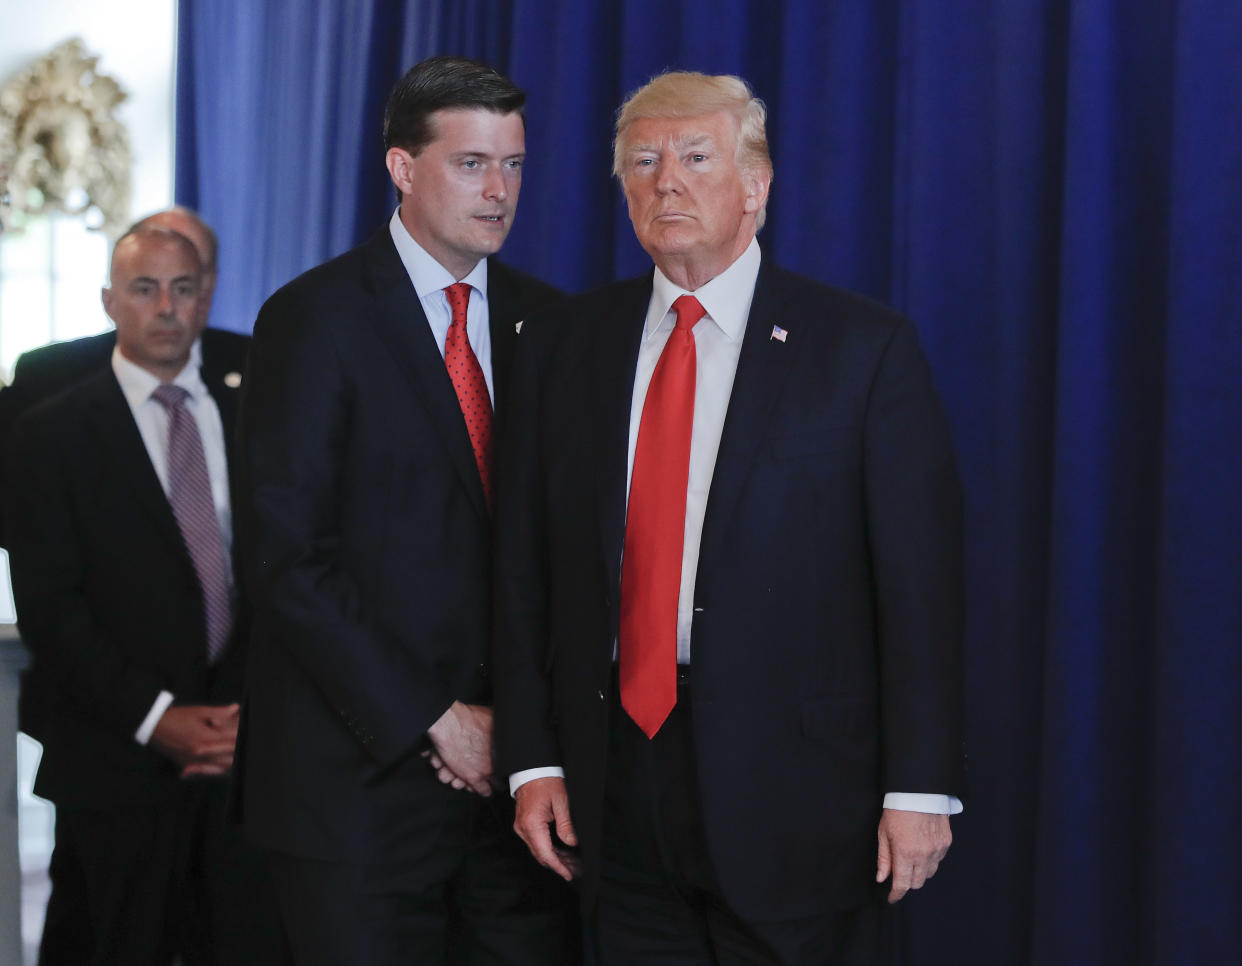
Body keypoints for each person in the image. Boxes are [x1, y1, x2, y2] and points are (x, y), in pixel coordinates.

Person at [493, 71, 966, 965]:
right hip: (614, 788)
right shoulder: (563, 345)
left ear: (757, 183)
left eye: (696, 157)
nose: (666, 180)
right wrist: (532, 760)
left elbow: (920, 587)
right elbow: (523, 571)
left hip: (803, 794)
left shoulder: (861, 351)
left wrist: (921, 786)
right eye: (643, 160)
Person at [233, 55, 577, 965]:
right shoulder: (312, 319)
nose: (499, 190)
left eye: (513, 165)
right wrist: (438, 716)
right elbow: (286, 559)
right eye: (472, 163)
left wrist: (527, 733)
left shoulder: (549, 322)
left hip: (519, 795)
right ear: (401, 168)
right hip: (357, 794)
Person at [5, 225, 286, 964]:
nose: (166, 307)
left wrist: (242, 717)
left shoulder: (262, 411)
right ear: (110, 302)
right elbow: (52, 609)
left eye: (183, 288)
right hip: (114, 768)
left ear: (207, 299)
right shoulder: (48, 435)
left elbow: (287, 572)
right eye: (144, 288)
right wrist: (159, 719)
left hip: (247, 762)